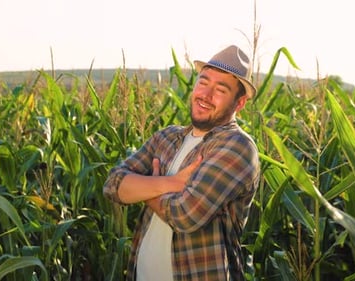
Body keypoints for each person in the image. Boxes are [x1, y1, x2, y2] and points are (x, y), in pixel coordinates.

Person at [103, 45, 261, 281]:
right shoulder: (166, 138)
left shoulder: (236, 146)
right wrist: (170, 183)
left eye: (220, 89)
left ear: (239, 103)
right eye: (203, 82)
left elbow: (185, 216)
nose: (205, 95)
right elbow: (113, 185)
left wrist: (145, 186)